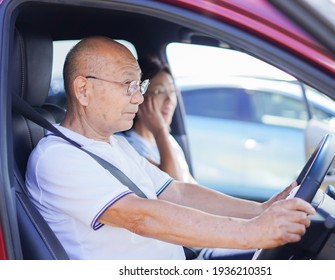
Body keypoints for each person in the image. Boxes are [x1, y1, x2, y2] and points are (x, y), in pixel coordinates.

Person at [25, 36, 315, 260]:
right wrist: (252, 232)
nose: (139, 99)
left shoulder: (114, 145)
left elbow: (177, 192)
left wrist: (259, 210)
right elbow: (141, 216)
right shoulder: (58, 158)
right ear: (83, 90)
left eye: (140, 86)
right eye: (128, 85)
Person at [120, 56, 196, 184]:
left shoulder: (168, 140)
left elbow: (192, 186)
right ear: (138, 96)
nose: (170, 100)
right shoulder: (128, 146)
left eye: (172, 91)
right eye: (159, 91)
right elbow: (176, 190)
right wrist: (160, 131)